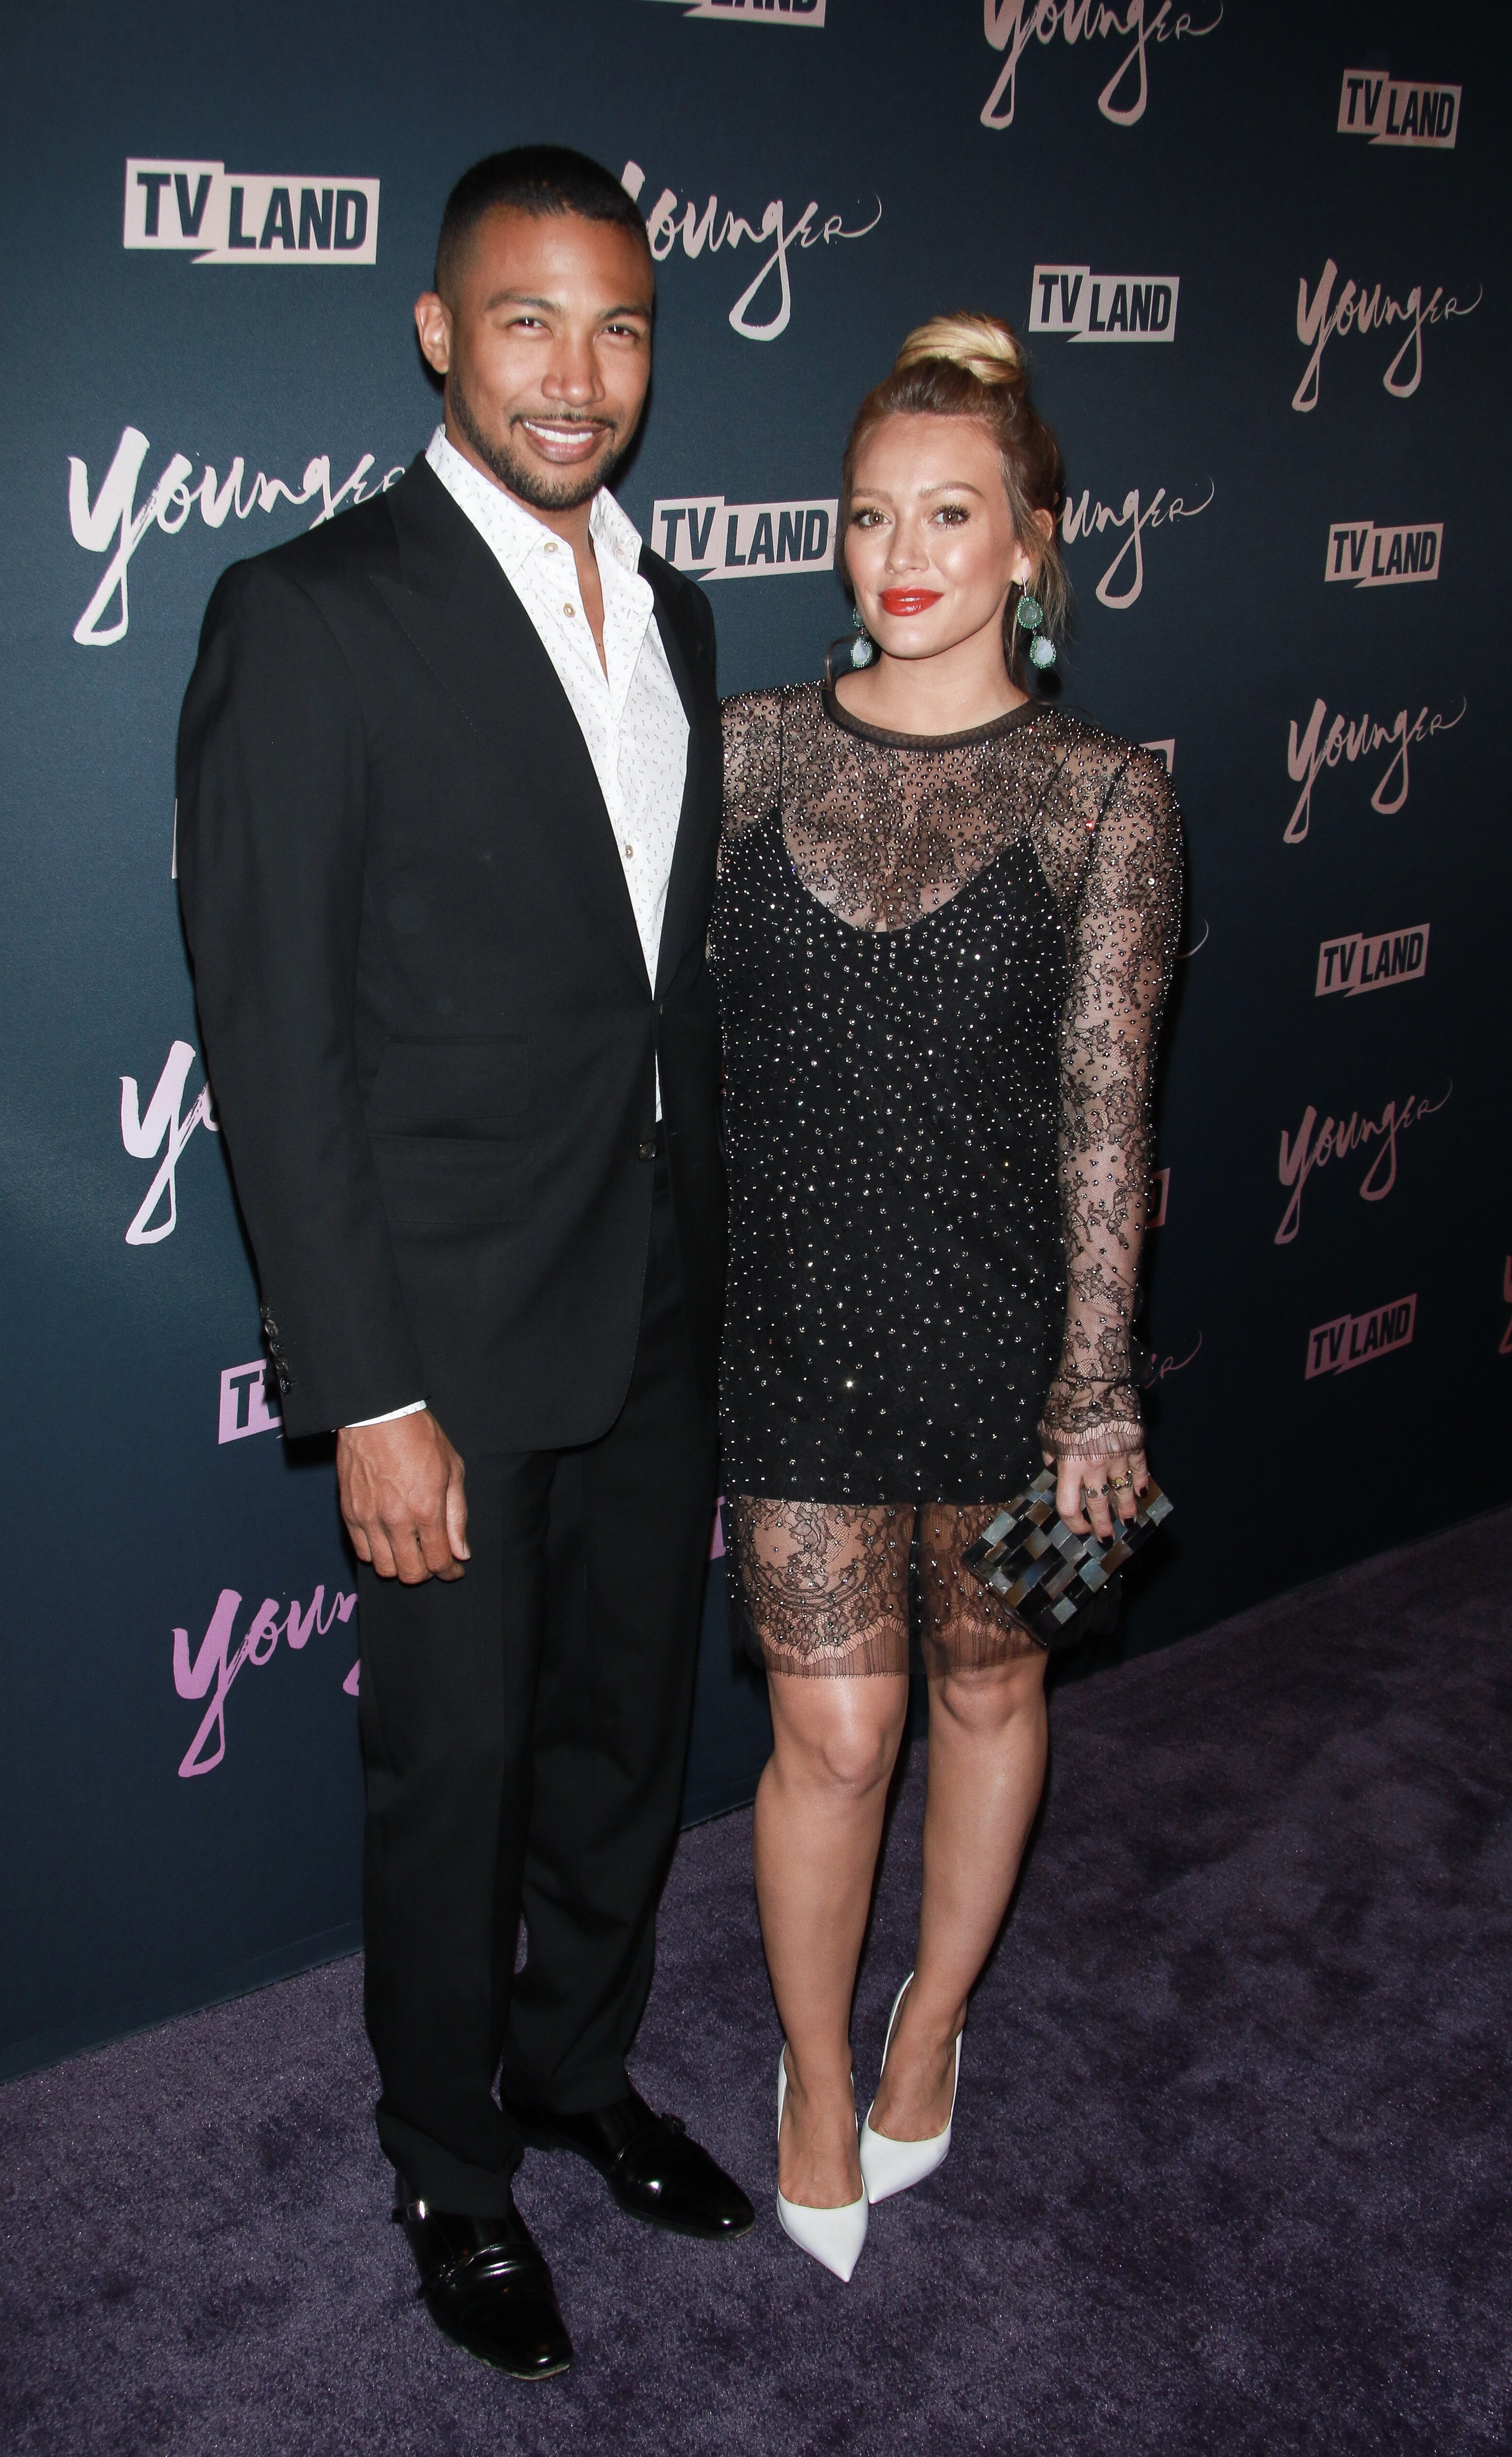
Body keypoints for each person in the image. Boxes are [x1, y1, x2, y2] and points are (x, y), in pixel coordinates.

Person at [176, 146, 752, 2383]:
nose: (576, 373)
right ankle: (449, 2159)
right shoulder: (307, 613)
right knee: (458, 1769)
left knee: (622, 1738)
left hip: (657, 1289)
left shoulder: (680, 611)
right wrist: (366, 1383)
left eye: (618, 326)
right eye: (527, 320)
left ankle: (575, 2066)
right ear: (438, 331)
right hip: (446, 1332)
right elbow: (274, 1038)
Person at [709, 313, 1182, 2279]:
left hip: (1019, 1357)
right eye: (869, 513)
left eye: (951, 513)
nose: (901, 555)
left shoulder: (1104, 798)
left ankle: (929, 2024)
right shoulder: (744, 752)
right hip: (790, 1342)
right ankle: (817, 2072)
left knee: (995, 1689)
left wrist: (1096, 1399)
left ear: (1031, 541)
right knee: (833, 1739)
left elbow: (1108, 1121)